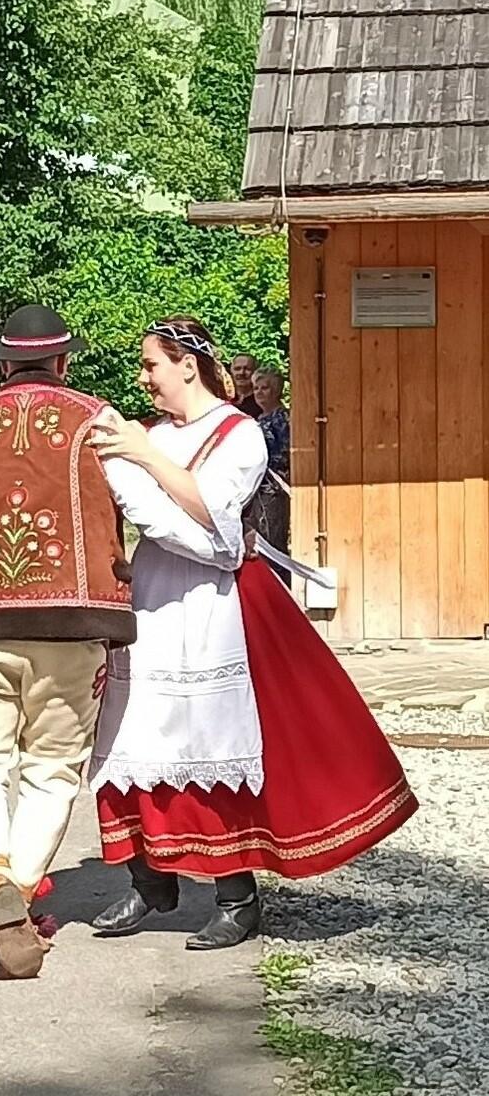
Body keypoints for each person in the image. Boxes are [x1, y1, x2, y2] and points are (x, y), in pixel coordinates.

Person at [88, 318, 416, 950]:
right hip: (154, 592)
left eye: (151, 364)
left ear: (187, 365)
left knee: (209, 740)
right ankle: (149, 877)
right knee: (133, 730)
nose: (143, 378)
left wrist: (143, 460)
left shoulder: (240, 436)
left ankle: (236, 897)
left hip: (217, 603)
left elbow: (213, 524)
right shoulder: (151, 433)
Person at [0, 305, 135, 977]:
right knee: (52, 767)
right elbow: (136, 506)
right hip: (74, 621)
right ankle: (21, 879)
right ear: (64, 360)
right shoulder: (99, 421)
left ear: (3, 363)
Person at [247, 367, 290, 561]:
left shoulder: (283, 419)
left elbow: (285, 455)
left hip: (274, 490)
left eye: (264, 388)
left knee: (273, 543)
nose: (259, 393)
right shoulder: (259, 419)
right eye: (256, 388)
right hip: (258, 490)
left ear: (276, 390)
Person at [230, 352, 261, 418]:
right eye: (237, 369)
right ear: (231, 371)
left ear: (255, 372)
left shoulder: (263, 402)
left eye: (247, 369)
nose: (242, 373)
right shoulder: (224, 399)